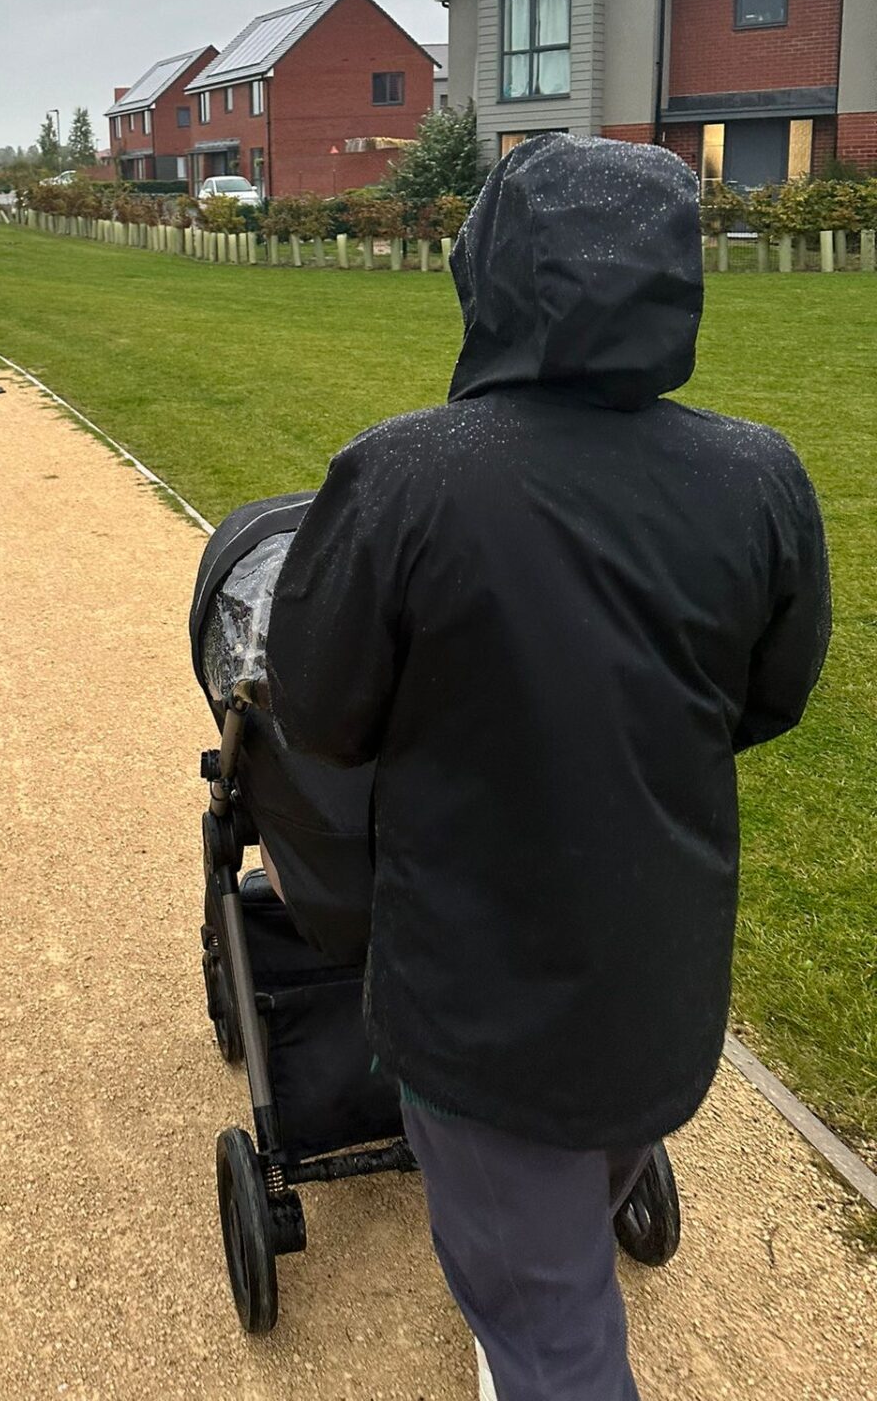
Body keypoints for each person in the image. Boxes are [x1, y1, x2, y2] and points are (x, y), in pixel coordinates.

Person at [265, 134, 830, 1401]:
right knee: (586, 1183)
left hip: (483, 991)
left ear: (493, 274)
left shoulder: (409, 476)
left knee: (550, 1330)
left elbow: (319, 708)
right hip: (663, 966)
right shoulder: (759, 477)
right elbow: (771, 695)